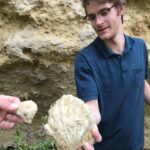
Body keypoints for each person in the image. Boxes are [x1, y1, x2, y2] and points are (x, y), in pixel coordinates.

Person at [74, 0, 150, 149]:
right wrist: (88, 126)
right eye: (92, 17)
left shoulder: (140, 47)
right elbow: (91, 108)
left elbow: (140, 82)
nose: (98, 22)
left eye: (104, 12)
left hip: (137, 145)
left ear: (121, 8)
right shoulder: (85, 59)